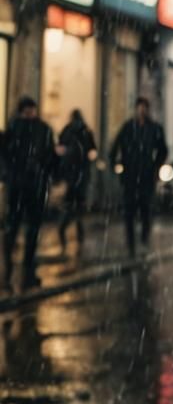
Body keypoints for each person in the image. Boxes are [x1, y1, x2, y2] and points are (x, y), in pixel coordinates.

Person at [1, 96, 57, 291]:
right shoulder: (23, 129)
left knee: (23, 226)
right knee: (21, 226)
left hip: (28, 185)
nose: (29, 114)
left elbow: (50, 156)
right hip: (26, 185)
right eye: (28, 110)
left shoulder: (23, 129)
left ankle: (19, 267)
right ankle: (18, 267)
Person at [110, 98, 167, 256]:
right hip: (130, 175)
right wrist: (117, 165)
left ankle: (143, 239)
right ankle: (131, 245)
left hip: (146, 175)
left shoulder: (154, 129)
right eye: (139, 108)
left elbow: (162, 150)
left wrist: (155, 167)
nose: (141, 111)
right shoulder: (128, 128)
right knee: (129, 211)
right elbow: (115, 147)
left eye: (144, 108)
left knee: (145, 210)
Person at [57, 109, 97, 252]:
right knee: (79, 203)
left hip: (71, 174)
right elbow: (92, 151)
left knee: (70, 203)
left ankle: (64, 227)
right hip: (81, 173)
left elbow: (60, 149)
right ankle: (77, 229)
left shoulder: (67, 131)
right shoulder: (86, 132)